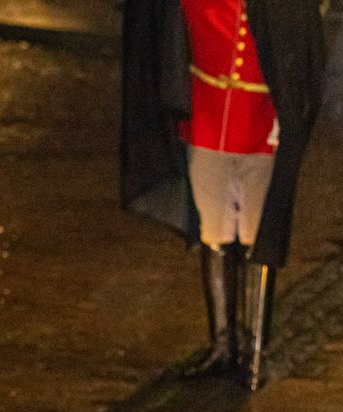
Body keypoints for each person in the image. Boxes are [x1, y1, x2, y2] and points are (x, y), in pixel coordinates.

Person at [121, 0, 325, 390]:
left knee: (255, 238)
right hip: (208, 124)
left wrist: (289, 122)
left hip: (261, 129)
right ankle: (222, 343)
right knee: (214, 235)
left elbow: (302, 63)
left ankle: (254, 347)